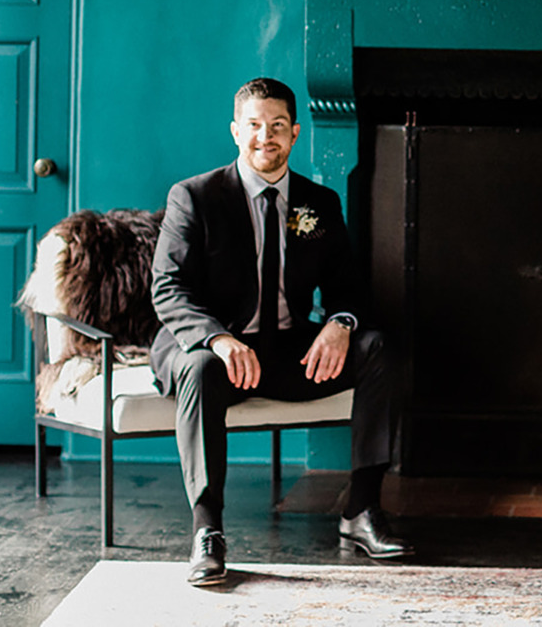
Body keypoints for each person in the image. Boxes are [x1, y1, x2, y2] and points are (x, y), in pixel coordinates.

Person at [150, 76, 412, 587]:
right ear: (235, 131)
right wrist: (218, 338)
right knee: (203, 368)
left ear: (294, 134)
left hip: (284, 350)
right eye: (253, 126)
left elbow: (348, 287)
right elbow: (168, 289)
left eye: (276, 127)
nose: (264, 137)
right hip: (210, 350)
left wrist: (340, 324)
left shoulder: (320, 202)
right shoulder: (194, 197)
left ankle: (360, 510)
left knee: (376, 347)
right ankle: (207, 531)